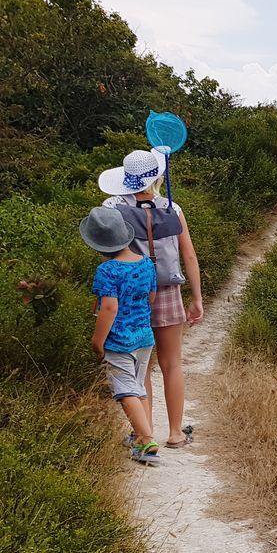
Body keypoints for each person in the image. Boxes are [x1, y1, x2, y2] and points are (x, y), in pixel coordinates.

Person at [99, 149, 204, 448]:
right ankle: (175, 433)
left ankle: (143, 435)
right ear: (156, 177)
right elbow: (189, 255)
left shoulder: (114, 208)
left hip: (133, 296)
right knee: (171, 365)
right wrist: (196, 298)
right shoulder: (173, 208)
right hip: (170, 292)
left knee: (141, 368)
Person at [80, 206, 160, 466]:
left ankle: (147, 441)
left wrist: (97, 341)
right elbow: (151, 297)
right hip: (144, 337)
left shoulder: (107, 271)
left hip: (119, 341)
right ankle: (140, 435)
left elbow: (109, 307)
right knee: (137, 387)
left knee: (125, 391)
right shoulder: (146, 262)